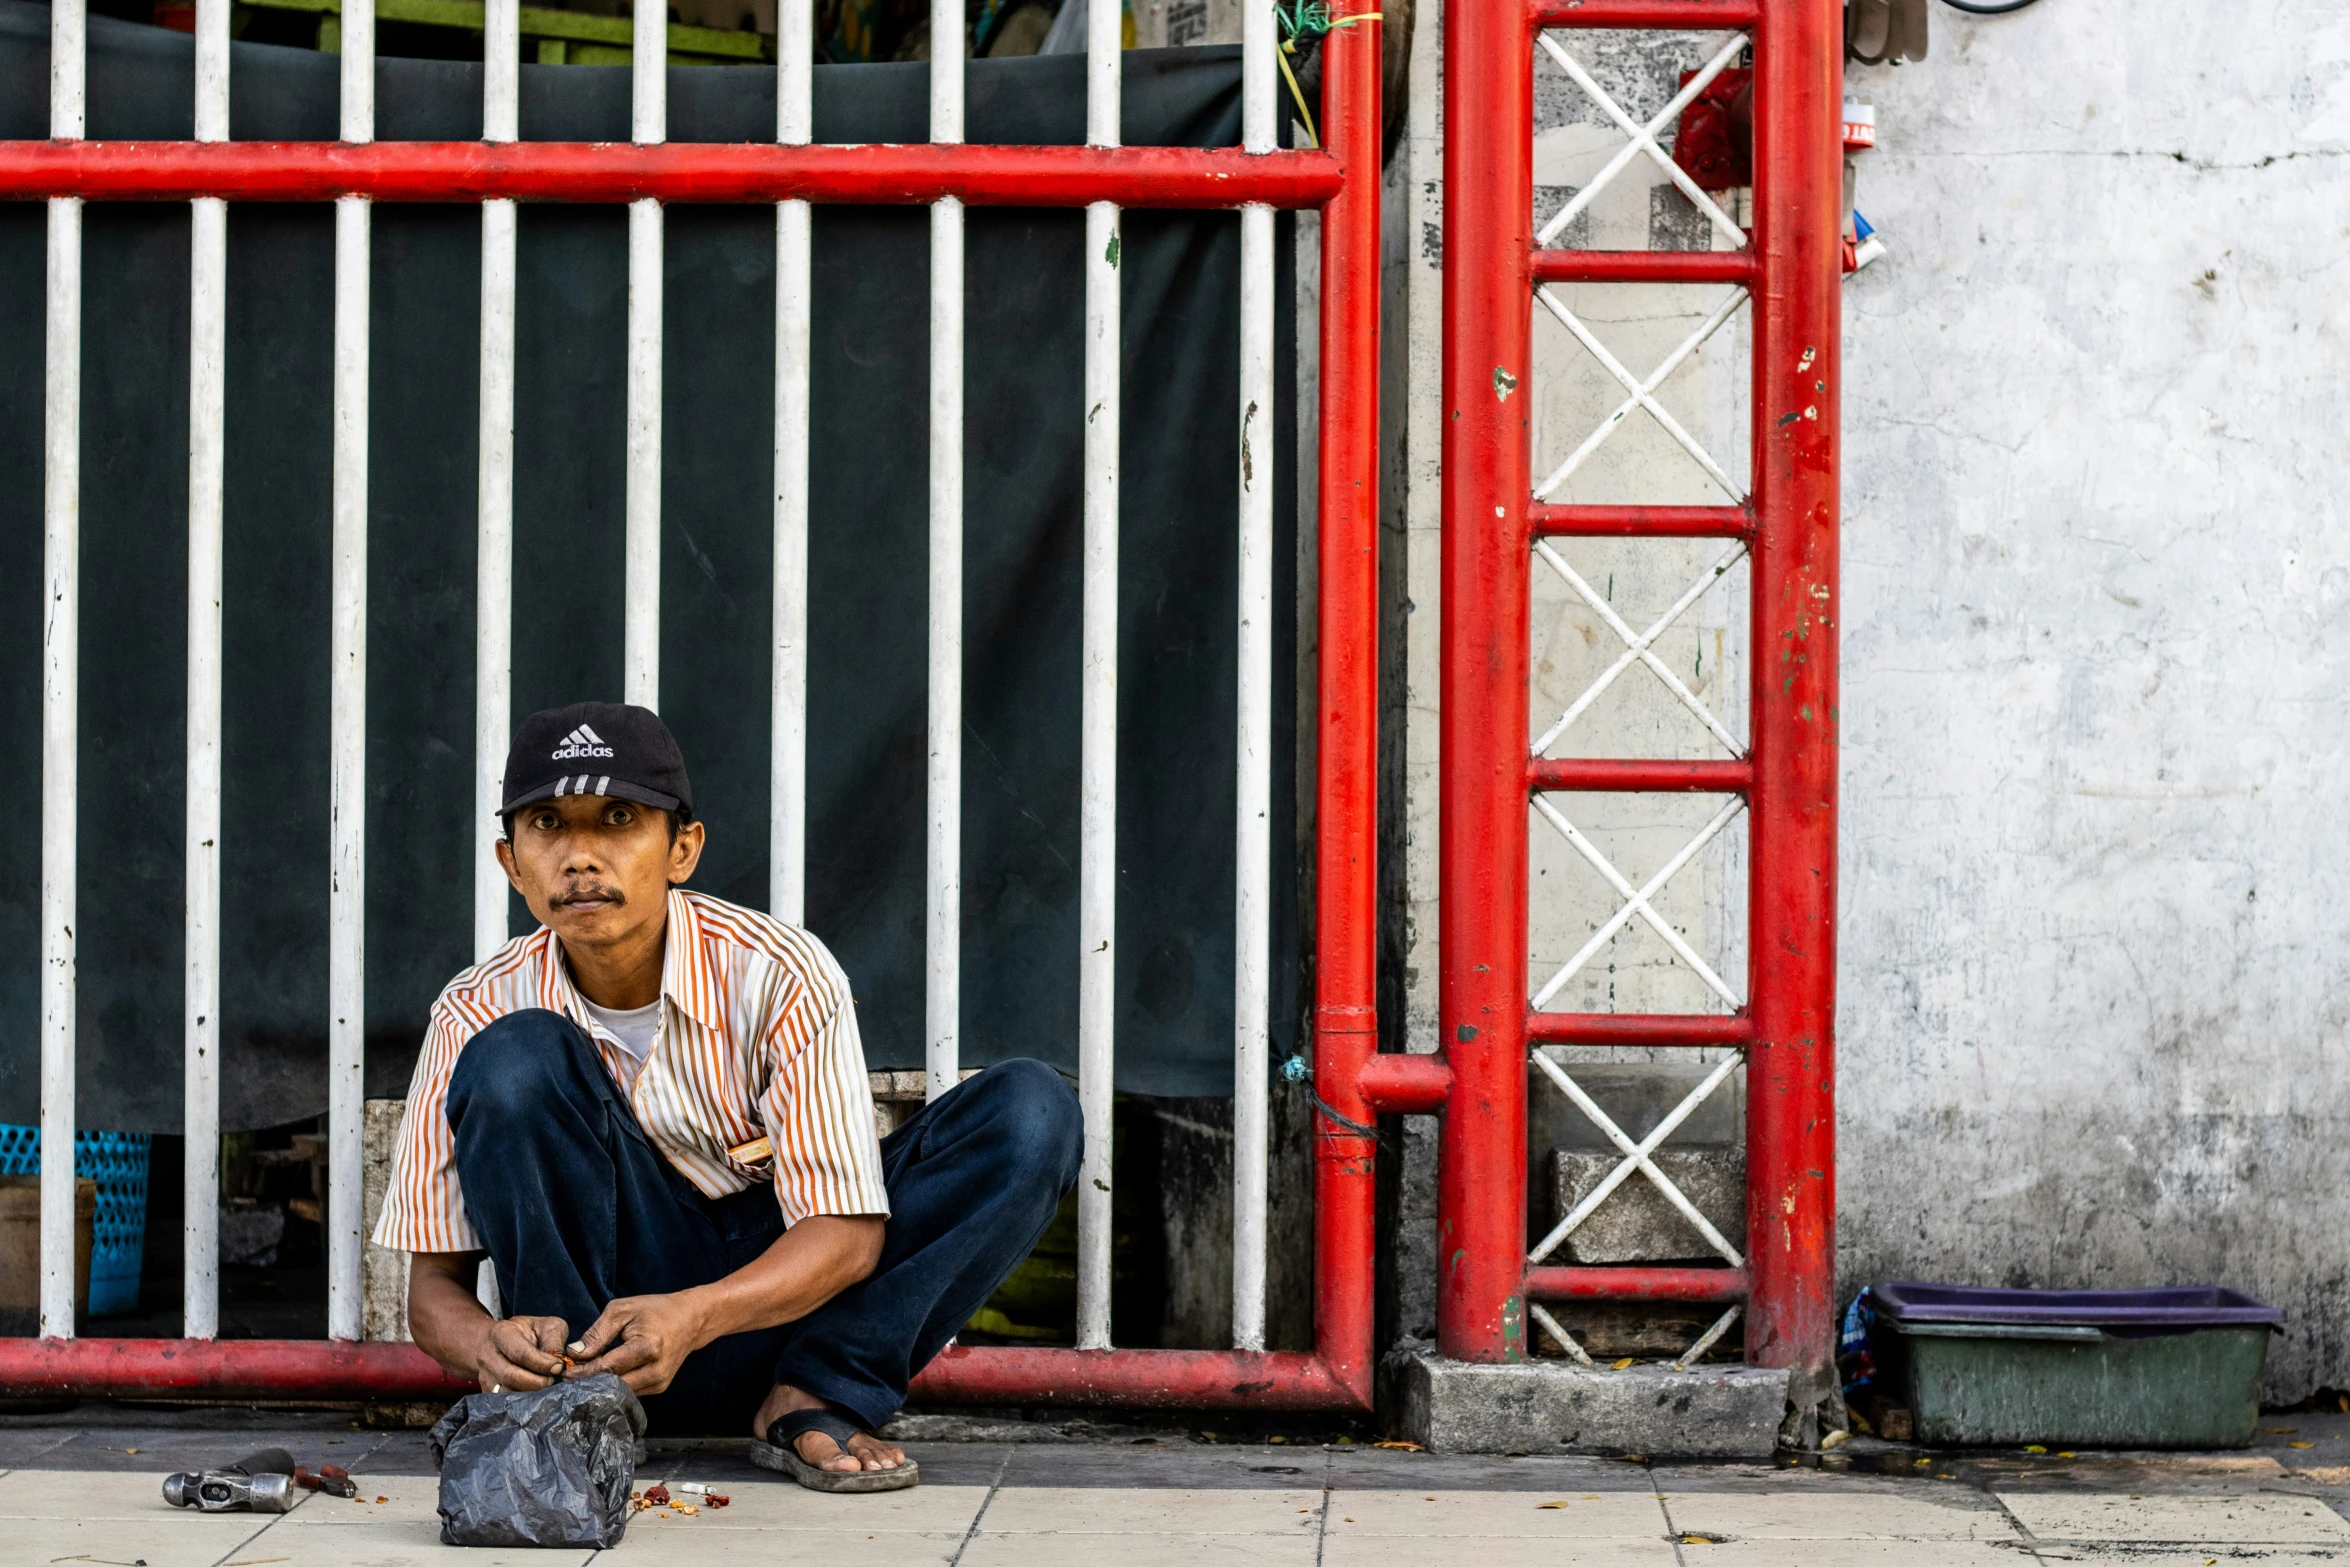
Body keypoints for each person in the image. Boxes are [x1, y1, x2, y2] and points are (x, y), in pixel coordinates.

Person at [373, 701, 1082, 1492]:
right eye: (547, 823)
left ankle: (816, 1394)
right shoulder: (474, 1009)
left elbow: (845, 1235)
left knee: (1032, 1110)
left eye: (618, 818)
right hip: (598, 1344)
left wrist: (695, 1313)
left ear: (683, 848)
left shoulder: (775, 970)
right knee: (513, 1058)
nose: (580, 855)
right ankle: (580, 1419)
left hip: (785, 1315)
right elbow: (433, 1291)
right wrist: (484, 1346)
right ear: (512, 862)